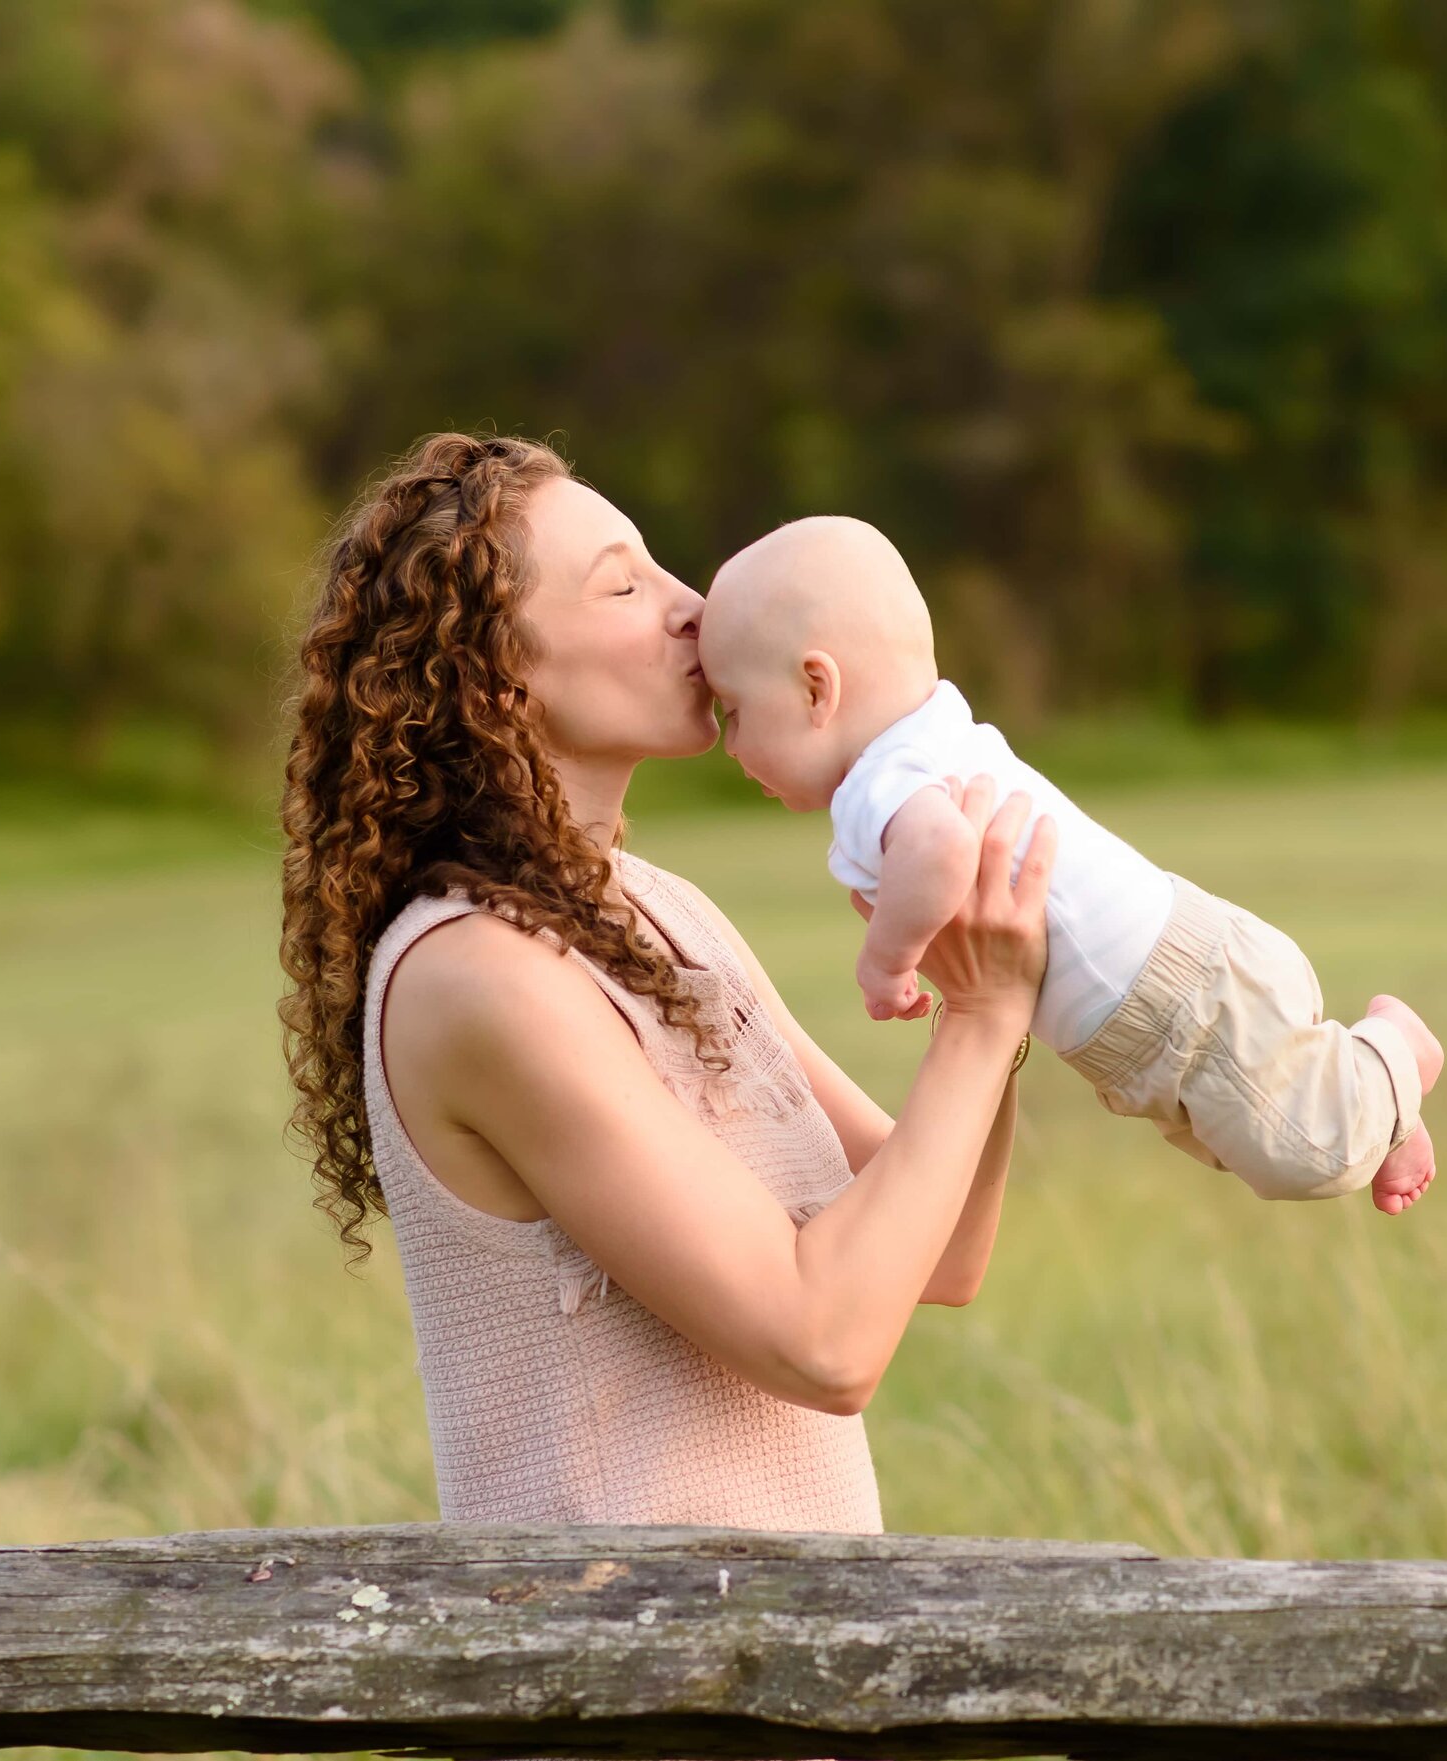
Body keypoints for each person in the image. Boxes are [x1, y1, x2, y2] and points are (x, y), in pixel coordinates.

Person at [278, 434, 1054, 1533]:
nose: (692, 605)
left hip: (768, 1661)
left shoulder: (660, 910)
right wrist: (978, 1021)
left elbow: (947, 1255)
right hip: (620, 1675)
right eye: (624, 584)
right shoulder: (474, 974)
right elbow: (822, 1342)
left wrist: (996, 964)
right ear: (495, 673)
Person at [696, 515, 1447, 1213]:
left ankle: (1398, 1047)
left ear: (817, 687)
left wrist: (886, 961)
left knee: (1302, 1152)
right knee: (1258, 1142)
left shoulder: (878, 782)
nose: (729, 745)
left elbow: (941, 850)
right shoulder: (933, 733)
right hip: (1165, 998)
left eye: (735, 712)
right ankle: (1384, 1104)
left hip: (1177, 1001)